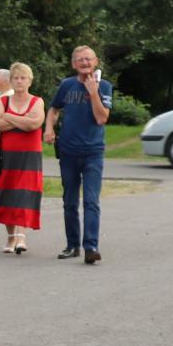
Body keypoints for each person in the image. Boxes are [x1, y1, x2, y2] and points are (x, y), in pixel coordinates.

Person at [44, 44, 113, 262]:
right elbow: (54, 108)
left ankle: (91, 247)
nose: (85, 63)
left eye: (88, 59)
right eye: (80, 59)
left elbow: (101, 118)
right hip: (68, 152)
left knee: (91, 200)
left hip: (93, 152)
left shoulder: (104, 86)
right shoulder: (67, 85)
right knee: (70, 201)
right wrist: (49, 128)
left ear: (96, 62)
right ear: (74, 64)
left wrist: (93, 92)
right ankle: (72, 245)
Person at [0, 62, 46, 253]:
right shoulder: (3, 101)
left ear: (30, 81)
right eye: (16, 78)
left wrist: (8, 117)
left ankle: (21, 237)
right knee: (8, 194)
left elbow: (34, 124)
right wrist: (23, 120)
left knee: (24, 194)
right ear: (11, 81)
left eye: (23, 78)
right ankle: (11, 237)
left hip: (29, 156)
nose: (19, 81)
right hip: (7, 155)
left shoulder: (37, 101)